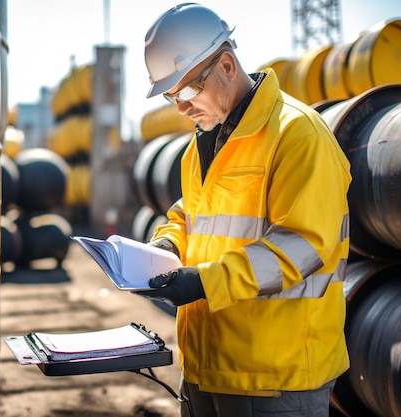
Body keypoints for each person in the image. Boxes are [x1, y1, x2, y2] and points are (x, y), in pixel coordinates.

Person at [133, 3, 352, 417]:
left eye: (185, 91)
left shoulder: (297, 135)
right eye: (170, 96)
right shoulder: (204, 141)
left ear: (228, 66)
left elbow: (303, 245)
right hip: (205, 367)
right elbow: (192, 214)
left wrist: (203, 282)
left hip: (274, 380)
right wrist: (165, 245)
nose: (180, 107)